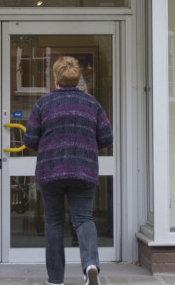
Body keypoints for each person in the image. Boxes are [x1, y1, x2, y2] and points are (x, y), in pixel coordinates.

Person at [23, 56, 113, 285]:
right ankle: (90, 265)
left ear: (56, 79)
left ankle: (55, 279)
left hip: (50, 171)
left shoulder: (43, 104)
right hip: (83, 169)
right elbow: (106, 138)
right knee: (83, 219)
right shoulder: (92, 104)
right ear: (77, 79)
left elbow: (30, 140)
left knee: (53, 221)